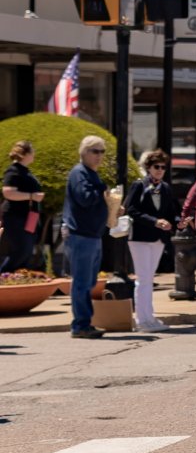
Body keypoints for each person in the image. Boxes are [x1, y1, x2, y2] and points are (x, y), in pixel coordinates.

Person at [61, 135, 110, 338]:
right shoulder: (80, 173)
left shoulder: (91, 173)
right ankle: (80, 325)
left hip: (92, 235)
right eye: (95, 151)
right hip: (81, 235)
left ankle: (84, 323)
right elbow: (85, 198)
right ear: (84, 152)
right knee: (82, 283)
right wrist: (102, 189)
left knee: (88, 282)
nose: (99, 156)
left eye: (102, 152)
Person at [125, 150, 178, 332]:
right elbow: (131, 210)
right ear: (148, 167)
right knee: (143, 278)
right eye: (157, 167)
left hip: (158, 238)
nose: (160, 170)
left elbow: (172, 211)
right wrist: (155, 221)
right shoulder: (139, 185)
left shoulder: (165, 188)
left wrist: (178, 221)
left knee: (149, 278)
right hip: (140, 237)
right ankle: (141, 320)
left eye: (163, 167)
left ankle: (149, 316)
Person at [2, 139, 45, 272]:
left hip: (29, 218)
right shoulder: (13, 171)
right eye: (32, 151)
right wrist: (32, 196)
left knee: (26, 252)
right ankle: (3, 277)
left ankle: (17, 282)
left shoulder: (25, 171)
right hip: (16, 217)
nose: (34, 154)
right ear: (24, 154)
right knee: (20, 251)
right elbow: (8, 193)